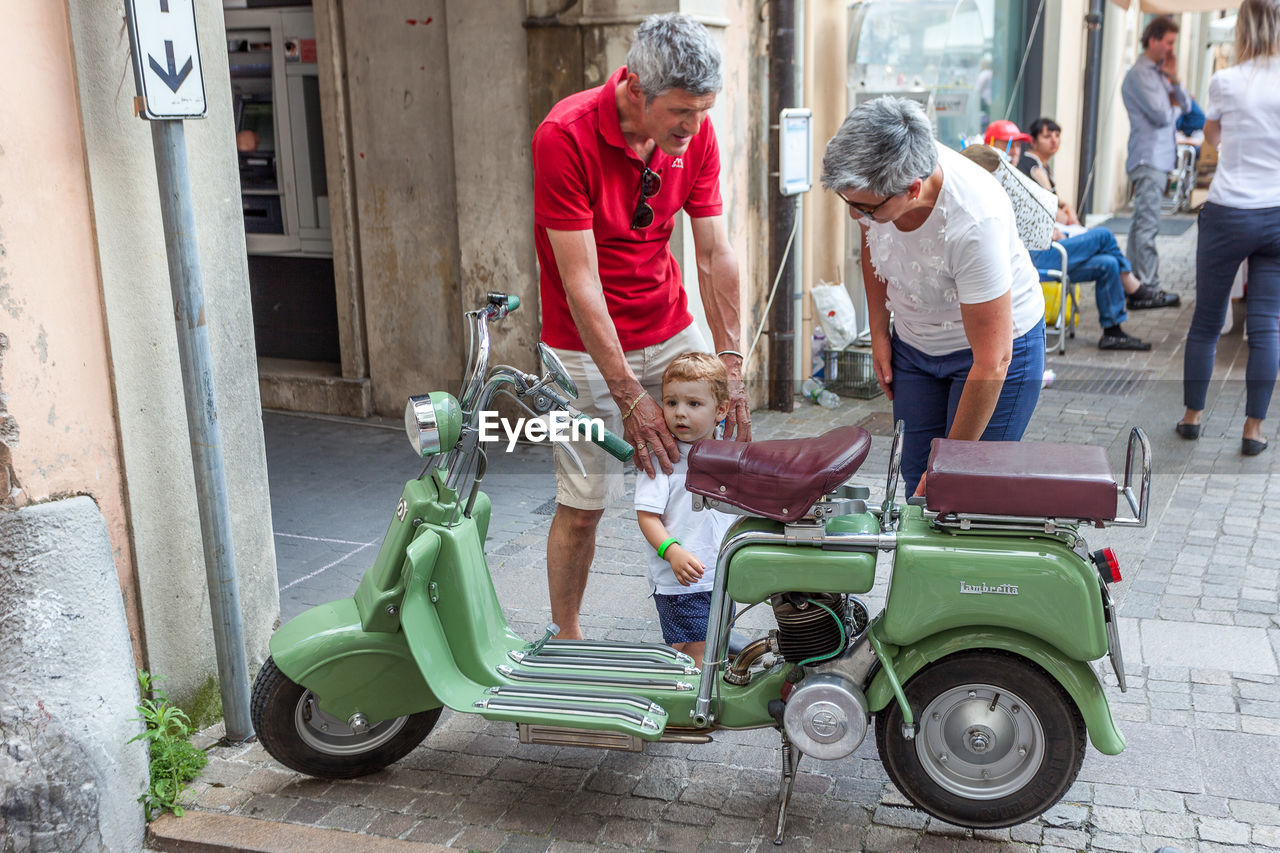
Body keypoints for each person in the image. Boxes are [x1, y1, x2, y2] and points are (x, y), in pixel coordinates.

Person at [532, 14, 750, 640]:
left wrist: (730, 363)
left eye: (702, 111)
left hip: (672, 326)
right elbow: (582, 283)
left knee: (713, 476)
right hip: (581, 346)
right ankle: (566, 638)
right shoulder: (564, 136)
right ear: (635, 88)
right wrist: (628, 394)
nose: (693, 126)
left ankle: (702, 621)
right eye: (681, 111)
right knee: (582, 505)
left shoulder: (695, 138)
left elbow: (713, 253)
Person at [823, 97, 1046, 497]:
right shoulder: (876, 188)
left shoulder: (974, 219)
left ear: (912, 189)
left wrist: (948, 467)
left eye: (864, 208)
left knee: (963, 489)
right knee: (915, 481)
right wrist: (878, 332)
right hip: (915, 345)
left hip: (994, 355)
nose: (856, 216)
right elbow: (873, 245)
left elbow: (992, 361)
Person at [1177, 0, 1280, 456]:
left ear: (1242, 27)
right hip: (1276, 212)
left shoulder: (1226, 80)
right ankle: (1253, 429)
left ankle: (1193, 417)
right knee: (1266, 324)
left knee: (1207, 320)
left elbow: (1212, 138)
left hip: (1229, 209)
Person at [634, 353, 735, 666]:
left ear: (721, 410)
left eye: (693, 404)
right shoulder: (665, 458)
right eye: (671, 402)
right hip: (683, 580)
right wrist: (671, 551)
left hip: (720, 574)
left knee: (693, 650)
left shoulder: (726, 453)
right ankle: (688, 712)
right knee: (700, 655)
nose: (680, 413)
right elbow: (647, 516)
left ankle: (676, 699)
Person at [1122, 15, 1191, 304]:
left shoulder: (1161, 73)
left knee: (1141, 224)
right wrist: (1172, 104)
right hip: (1148, 158)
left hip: (1158, 158)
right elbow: (1164, 116)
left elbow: (1186, 106)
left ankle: (1135, 284)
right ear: (1153, 40)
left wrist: (1174, 81)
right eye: (1169, 42)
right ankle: (1148, 286)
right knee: (1148, 226)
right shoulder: (1140, 74)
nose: (1172, 50)